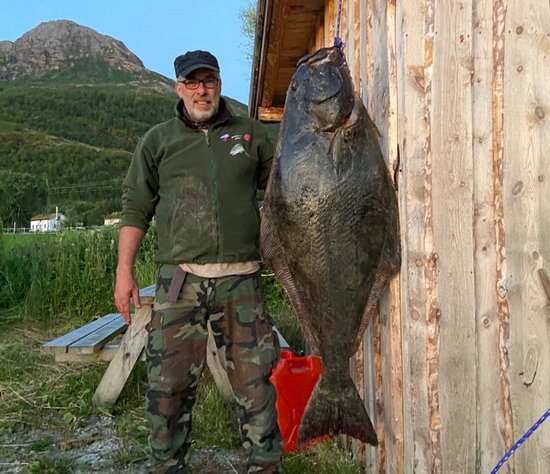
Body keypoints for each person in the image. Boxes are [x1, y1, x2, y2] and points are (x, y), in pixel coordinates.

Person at [114, 50, 284, 474]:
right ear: (178, 88)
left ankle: (266, 465)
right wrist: (124, 272)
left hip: (241, 281)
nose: (201, 90)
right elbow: (136, 207)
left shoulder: (251, 135)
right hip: (179, 280)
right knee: (167, 384)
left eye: (208, 81)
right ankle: (167, 465)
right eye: (192, 82)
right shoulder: (158, 141)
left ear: (220, 84)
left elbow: (286, 189)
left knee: (256, 384)